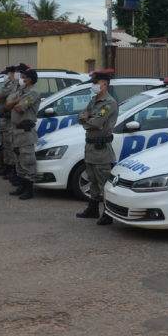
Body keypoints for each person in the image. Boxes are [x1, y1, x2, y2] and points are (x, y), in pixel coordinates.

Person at [75, 69, 119, 225]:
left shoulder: (109, 103)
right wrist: (86, 119)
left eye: (95, 82)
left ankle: (108, 214)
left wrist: (87, 119)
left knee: (104, 182)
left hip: (101, 148)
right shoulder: (93, 101)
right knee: (92, 180)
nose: (93, 85)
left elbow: (96, 123)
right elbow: (81, 116)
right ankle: (93, 209)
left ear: (104, 84)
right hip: (91, 147)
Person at [5, 66, 41, 200]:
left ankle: (29, 189)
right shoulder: (21, 91)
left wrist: (14, 102)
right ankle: (21, 186)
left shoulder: (33, 92)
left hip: (26, 132)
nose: (21, 79)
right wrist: (15, 101)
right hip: (16, 131)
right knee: (19, 161)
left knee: (27, 160)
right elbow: (7, 104)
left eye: (24, 77)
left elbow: (20, 108)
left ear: (30, 79)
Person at [0, 65, 20, 180]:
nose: (6, 76)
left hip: (8, 119)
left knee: (9, 145)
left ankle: (12, 168)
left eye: (8, 74)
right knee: (4, 144)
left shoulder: (13, 85)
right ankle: (6, 166)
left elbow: (0, 96)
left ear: (13, 74)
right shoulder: (8, 84)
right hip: (2, 117)